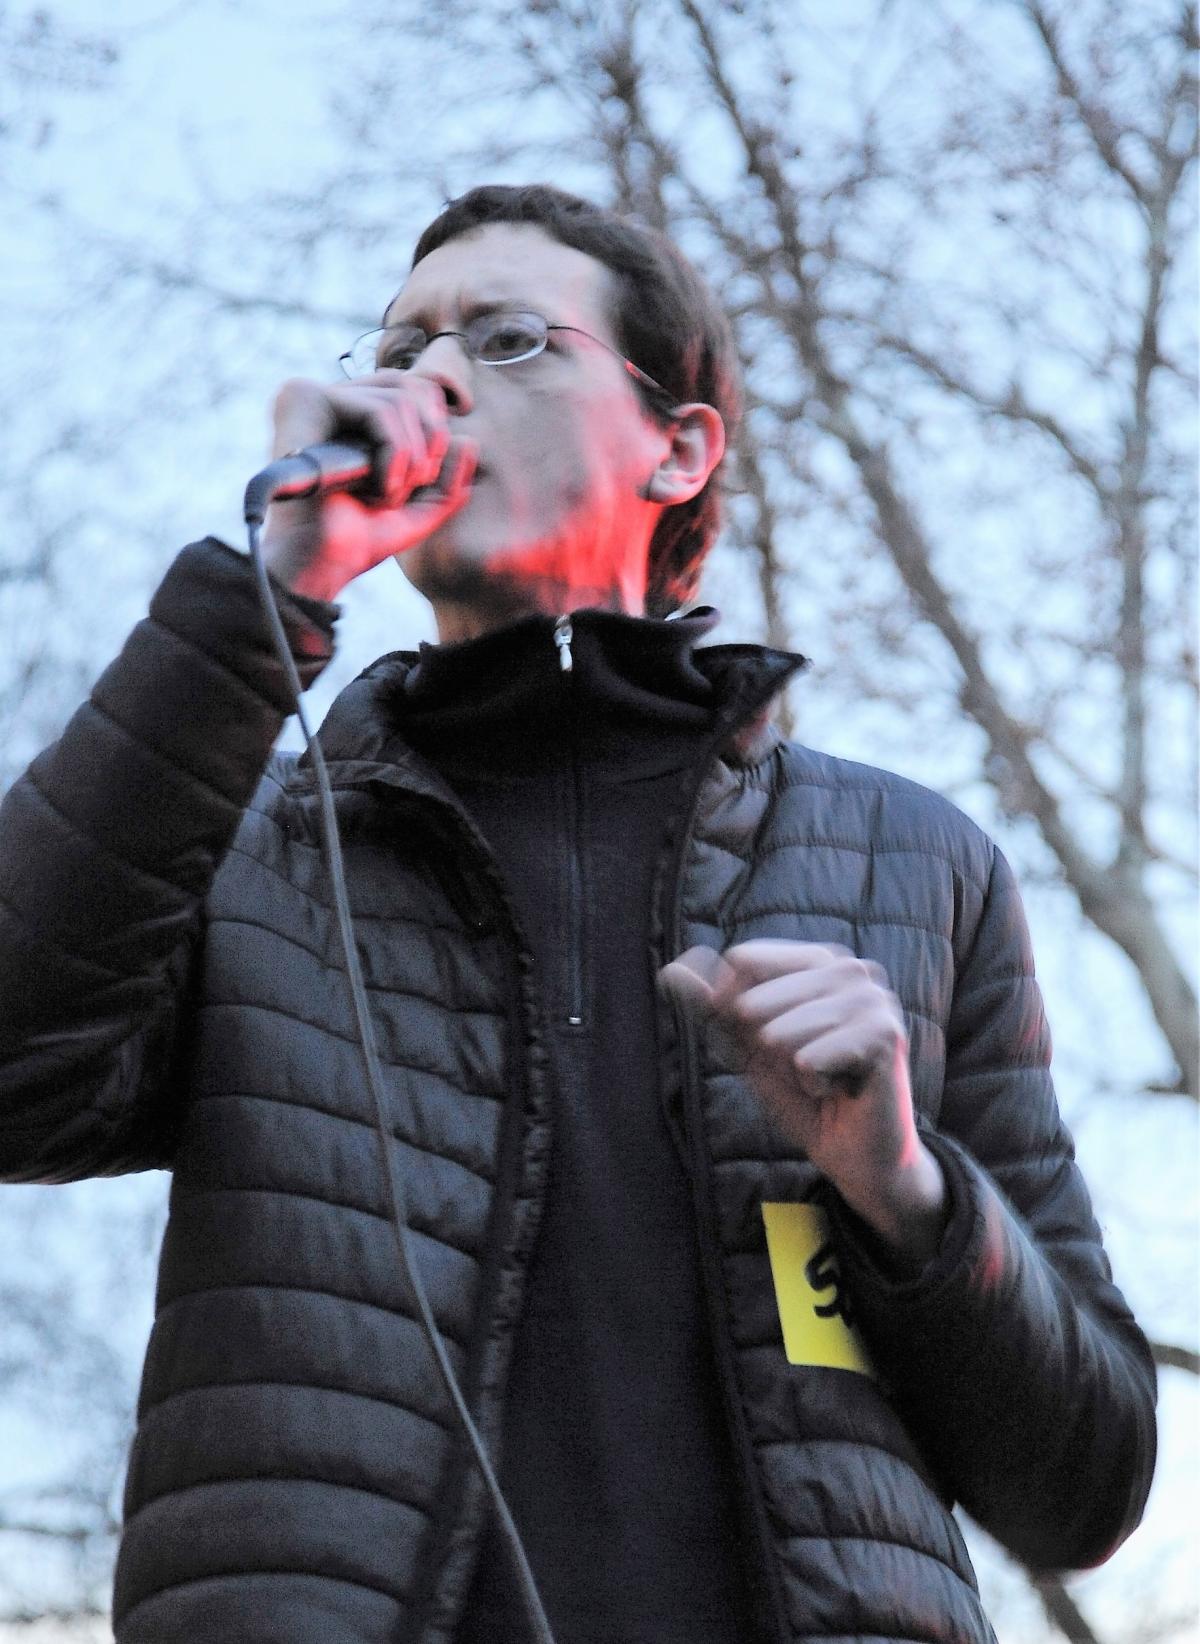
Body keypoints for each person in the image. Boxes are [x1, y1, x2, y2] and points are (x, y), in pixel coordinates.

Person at [0, 183, 1155, 1644]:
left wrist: (903, 1190)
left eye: (507, 339)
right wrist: (261, 600)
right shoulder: (243, 846)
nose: (432, 379)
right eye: (398, 346)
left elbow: (1088, 1486)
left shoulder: (912, 864)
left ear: (678, 448)